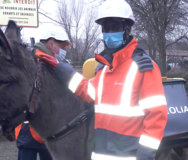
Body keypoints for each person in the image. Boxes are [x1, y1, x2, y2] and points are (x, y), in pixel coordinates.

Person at [38, 0, 168, 159]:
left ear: (127, 29)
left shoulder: (144, 68)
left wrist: (145, 155)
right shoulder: (104, 68)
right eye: (106, 28)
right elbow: (88, 93)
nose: (110, 32)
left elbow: (156, 117)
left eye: (115, 27)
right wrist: (64, 71)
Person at [15, 26, 72, 160]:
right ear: (51, 44)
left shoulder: (53, 65)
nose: (64, 51)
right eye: (62, 47)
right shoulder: (35, 64)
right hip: (31, 132)